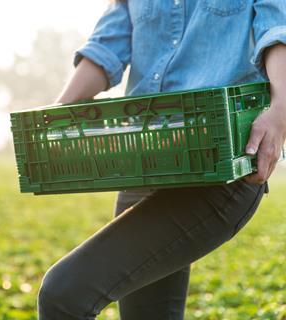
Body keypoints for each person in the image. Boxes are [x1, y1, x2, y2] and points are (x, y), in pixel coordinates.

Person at [37, 1, 286, 319]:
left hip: (222, 168)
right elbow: (107, 48)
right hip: (147, 163)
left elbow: (278, 30)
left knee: (65, 292)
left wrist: (280, 111)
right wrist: (59, 113)